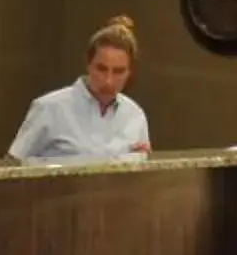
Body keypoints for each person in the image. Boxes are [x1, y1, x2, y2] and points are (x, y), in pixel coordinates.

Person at [8, 16, 152, 163]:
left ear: (130, 72)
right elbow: (11, 167)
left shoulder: (135, 116)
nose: (108, 81)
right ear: (88, 64)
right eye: (101, 69)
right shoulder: (50, 108)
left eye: (118, 71)